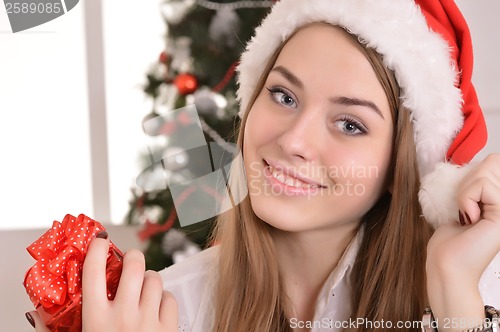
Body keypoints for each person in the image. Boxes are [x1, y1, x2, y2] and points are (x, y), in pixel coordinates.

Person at [27, 0, 500, 331]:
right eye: (284, 95)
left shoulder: (471, 296)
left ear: (401, 170)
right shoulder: (171, 309)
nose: (293, 141)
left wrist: (453, 286)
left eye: (350, 124)